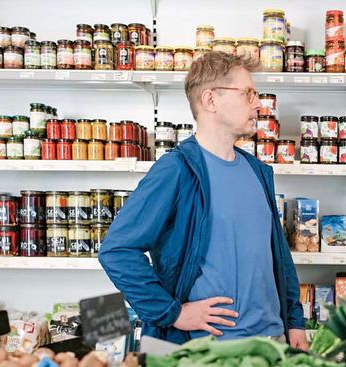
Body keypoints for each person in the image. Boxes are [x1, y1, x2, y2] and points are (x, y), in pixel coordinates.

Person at [99, 52, 309, 349]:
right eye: (248, 93)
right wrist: (172, 313)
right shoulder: (177, 170)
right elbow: (117, 250)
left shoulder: (258, 171)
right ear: (210, 100)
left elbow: (277, 256)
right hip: (204, 351)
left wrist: (294, 322)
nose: (258, 104)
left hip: (271, 344)